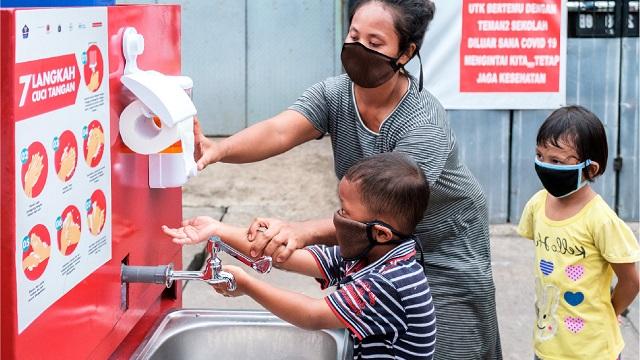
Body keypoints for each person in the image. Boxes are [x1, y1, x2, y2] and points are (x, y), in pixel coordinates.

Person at [194, 0, 502, 358]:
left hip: (444, 247)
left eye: (374, 43)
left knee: (450, 348)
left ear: (406, 52)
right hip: (379, 241)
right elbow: (279, 131)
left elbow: (384, 208)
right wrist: (218, 149)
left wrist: (301, 230)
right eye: (354, 35)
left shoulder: (423, 123)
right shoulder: (336, 94)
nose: (359, 49)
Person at [164, 153, 437, 359]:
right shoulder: (368, 252)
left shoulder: (392, 282)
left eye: (345, 211)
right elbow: (289, 257)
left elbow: (312, 315)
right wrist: (219, 230)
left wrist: (247, 284)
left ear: (381, 233)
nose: (336, 219)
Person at [518, 105, 640, 360]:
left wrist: (611, 310)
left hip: (594, 350)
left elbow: (630, 280)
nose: (544, 165)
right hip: (548, 345)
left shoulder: (602, 220)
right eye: (540, 156)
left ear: (591, 169)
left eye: (556, 161)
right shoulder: (537, 205)